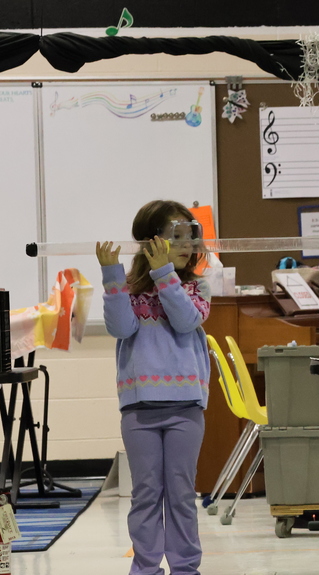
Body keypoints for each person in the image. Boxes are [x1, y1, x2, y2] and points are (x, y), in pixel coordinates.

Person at [96, 200, 212, 575]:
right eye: (174, 236)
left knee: (180, 494)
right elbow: (121, 328)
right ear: (151, 242)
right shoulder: (129, 289)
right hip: (139, 407)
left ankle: (185, 569)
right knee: (146, 494)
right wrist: (112, 275)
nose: (185, 245)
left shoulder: (197, 287)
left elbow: (185, 321)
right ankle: (145, 569)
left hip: (185, 407)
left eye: (189, 236)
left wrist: (166, 275)